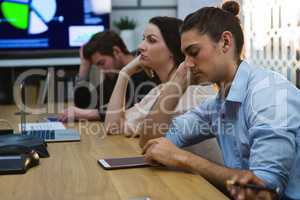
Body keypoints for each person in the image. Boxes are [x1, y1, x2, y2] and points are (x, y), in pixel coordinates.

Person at [142, 1, 300, 200]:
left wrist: (183, 158)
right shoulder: (219, 103)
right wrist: (178, 81)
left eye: (194, 53)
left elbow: (263, 191)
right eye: (184, 56)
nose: (188, 64)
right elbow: (150, 143)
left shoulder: (268, 96)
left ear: (226, 42)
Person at [58, 31, 158, 122]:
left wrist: (90, 114)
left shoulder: (146, 68)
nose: (101, 70)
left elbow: (138, 111)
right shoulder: (112, 76)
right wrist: (84, 66)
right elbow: (83, 104)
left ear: (116, 51)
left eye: (101, 63)